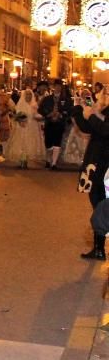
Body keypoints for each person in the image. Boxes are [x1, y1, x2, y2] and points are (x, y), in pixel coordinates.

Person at [71, 90, 109, 260]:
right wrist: (79, 108)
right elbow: (88, 127)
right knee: (98, 204)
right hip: (96, 163)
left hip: (105, 165)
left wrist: (91, 116)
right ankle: (99, 248)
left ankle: (100, 248)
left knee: (101, 205)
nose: (105, 93)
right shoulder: (103, 110)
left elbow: (106, 130)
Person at [4, 89, 45, 169]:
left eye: (30, 95)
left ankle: (25, 160)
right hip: (22, 126)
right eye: (27, 95)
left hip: (32, 126)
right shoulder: (20, 104)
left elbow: (35, 114)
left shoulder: (34, 105)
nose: (28, 96)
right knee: (21, 143)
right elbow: (17, 114)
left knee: (29, 143)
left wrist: (39, 117)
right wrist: (20, 120)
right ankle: (22, 160)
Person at [39, 80, 69, 169]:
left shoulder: (66, 99)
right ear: (53, 87)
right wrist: (48, 114)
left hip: (60, 123)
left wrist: (61, 114)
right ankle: (48, 160)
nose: (58, 88)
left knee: (57, 142)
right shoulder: (47, 99)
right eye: (56, 86)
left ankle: (54, 163)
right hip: (49, 123)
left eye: (60, 86)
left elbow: (69, 110)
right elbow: (40, 109)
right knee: (48, 143)